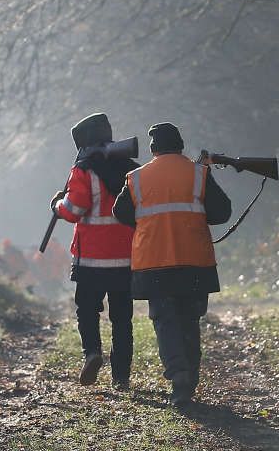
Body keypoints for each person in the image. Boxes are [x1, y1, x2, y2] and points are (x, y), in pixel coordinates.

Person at [113, 122, 231, 408]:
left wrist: (150, 225)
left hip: (154, 262)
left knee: (165, 321)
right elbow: (222, 213)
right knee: (189, 319)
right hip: (194, 261)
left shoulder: (136, 178)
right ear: (180, 145)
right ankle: (190, 378)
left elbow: (121, 213)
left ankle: (178, 376)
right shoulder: (199, 173)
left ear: (153, 149)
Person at [50, 112, 138, 388]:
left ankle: (92, 353)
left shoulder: (83, 169)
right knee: (122, 317)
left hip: (91, 259)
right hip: (125, 257)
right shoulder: (131, 169)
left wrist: (57, 205)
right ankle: (121, 377)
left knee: (87, 310)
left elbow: (74, 210)